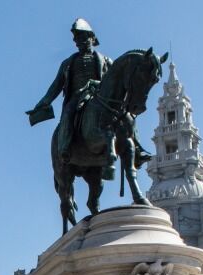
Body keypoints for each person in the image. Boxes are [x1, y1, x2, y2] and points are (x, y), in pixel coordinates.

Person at [27, 19, 151, 167]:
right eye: (76, 39)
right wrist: (42, 103)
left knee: (128, 116)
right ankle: (64, 147)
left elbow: (117, 80)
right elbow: (55, 87)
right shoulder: (68, 63)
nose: (78, 42)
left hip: (100, 97)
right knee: (68, 114)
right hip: (78, 97)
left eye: (82, 38)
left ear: (92, 38)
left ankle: (137, 150)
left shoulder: (105, 60)